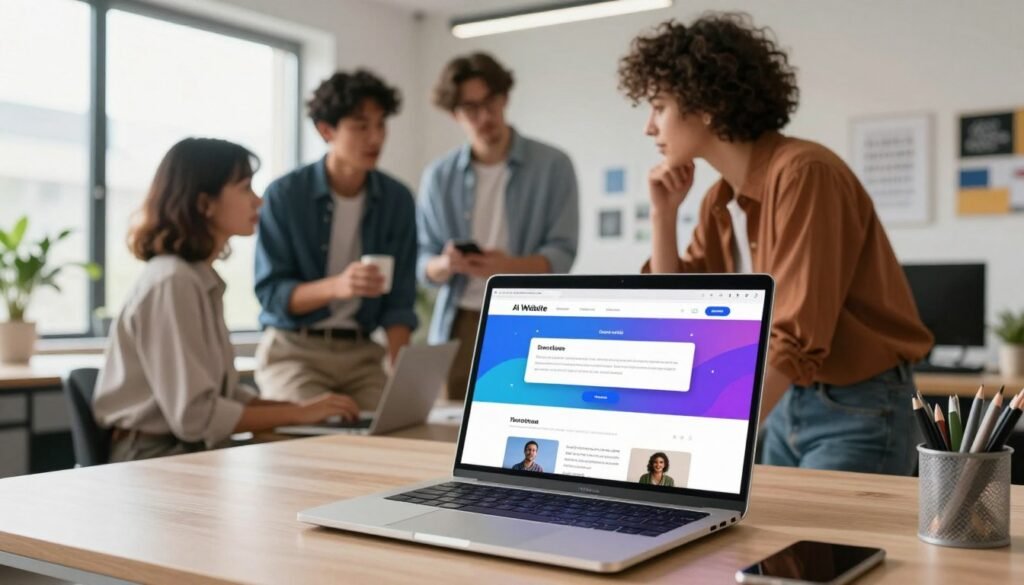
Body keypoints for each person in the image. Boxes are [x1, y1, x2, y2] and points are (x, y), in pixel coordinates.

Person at [618, 13, 933, 475]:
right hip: (781, 400)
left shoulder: (806, 174)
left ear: (704, 104)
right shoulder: (719, 200)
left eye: (658, 106)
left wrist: (705, 442)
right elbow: (677, 309)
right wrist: (663, 216)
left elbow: (794, 336)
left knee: (825, 549)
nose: (649, 126)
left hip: (854, 408)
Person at [94, 138, 359, 462]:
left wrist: (305, 409)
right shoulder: (173, 282)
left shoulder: (196, 278)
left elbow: (223, 396)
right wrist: (298, 415)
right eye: (246, 188)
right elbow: (196, 417)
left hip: (184, 450)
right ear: (205, 203)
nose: (258, 201)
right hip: (151, 456)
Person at [417, 52, 579, 400]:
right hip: (459, 321)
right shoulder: (438, 176)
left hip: (531, 315)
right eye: (471, 108)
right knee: (452, 427)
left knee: (533, 412)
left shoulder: (553, 165)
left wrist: (506, 267)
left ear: (505, 98)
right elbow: (422, 262)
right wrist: (446, 264)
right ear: (454, 113)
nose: (485, 116)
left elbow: (563, 254)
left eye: (491, 102)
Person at [254, 70, 418, 408]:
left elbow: (399, 302)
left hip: (362, 357)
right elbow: (272, 295)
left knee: (395, 431)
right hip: (294, 353)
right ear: (326, 130)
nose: (375, 138)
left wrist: (405, 380)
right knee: (312, 437)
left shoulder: (396, 199)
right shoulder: (285, 195)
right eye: (361, 126)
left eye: (381, 124)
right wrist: (338, 286)